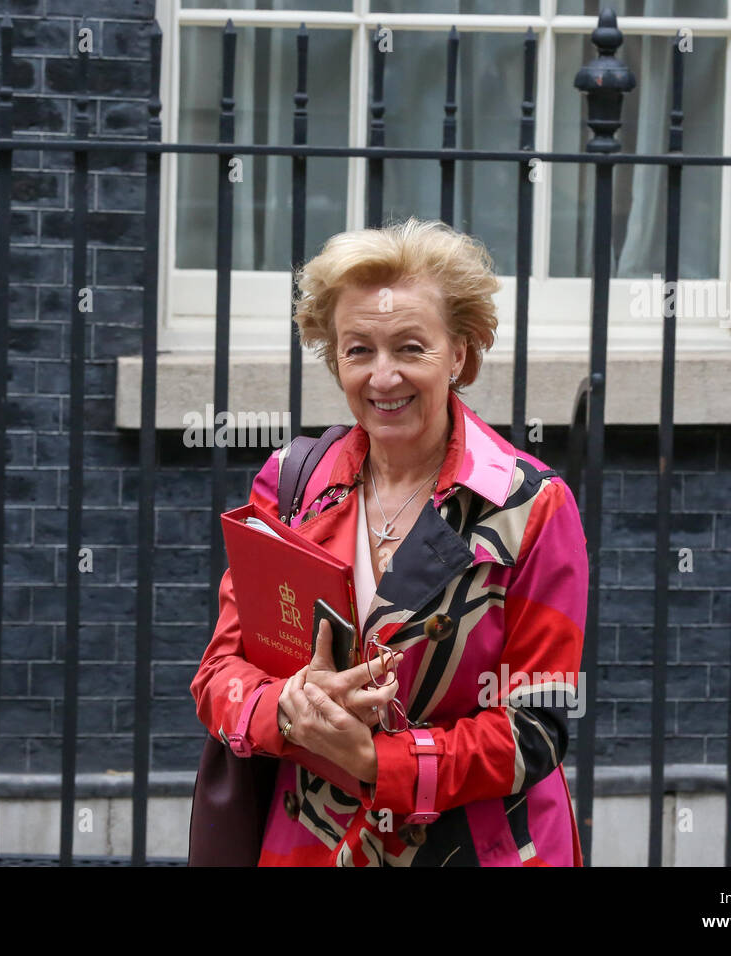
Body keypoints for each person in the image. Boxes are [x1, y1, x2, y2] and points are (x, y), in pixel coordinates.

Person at [191, 217, 588, 866]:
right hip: (309, 843)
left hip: (469, 849)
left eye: (410, 348)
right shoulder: (290, 484)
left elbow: (534, 730)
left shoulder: (532, 507)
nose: (383, 377)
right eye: (358, 350)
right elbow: (219, 676)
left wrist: (380, 760)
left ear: (459, 352)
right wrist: (287, 710)